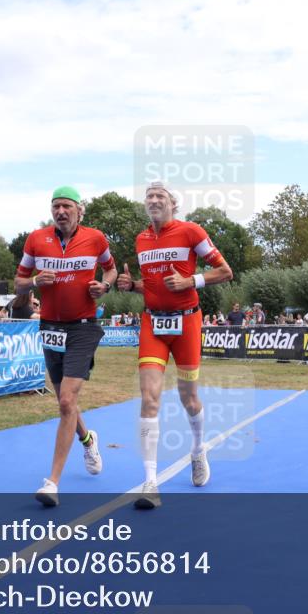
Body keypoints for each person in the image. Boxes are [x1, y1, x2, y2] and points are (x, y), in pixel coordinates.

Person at [117, 181, 233, 509]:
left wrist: (190, 281)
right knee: (149, 397)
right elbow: (154, 287)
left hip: (188, 323)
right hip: (153, 323)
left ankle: (198, 450)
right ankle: (150, 480)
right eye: (149, 197)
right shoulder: (141, 239)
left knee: (188, 397)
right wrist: (131, 286)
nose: (153, 200)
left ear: (172, 204)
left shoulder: (191, 232)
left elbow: (225, 271)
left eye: (160, 197)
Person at [15, 185, 117, 507]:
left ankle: (52, 482)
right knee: (64, 400)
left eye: (67, 206)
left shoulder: (96, 238)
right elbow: (18, 282)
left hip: (83, 327)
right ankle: (88, 439)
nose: (61, 212)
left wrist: (105, 285)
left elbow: (110, 268)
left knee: (67, 399)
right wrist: (33, 282)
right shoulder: (36, 239)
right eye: (56, 206)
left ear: (79, 210)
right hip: (50, 327)